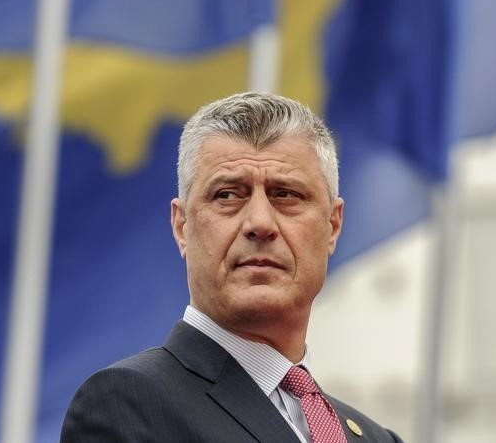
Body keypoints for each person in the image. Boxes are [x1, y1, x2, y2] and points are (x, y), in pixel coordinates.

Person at [61, 93, 403, 442]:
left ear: (332, 225)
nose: (260, 222)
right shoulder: (127, 403)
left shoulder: (378, 439)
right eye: (227, 195)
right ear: (182, 226)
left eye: (285, 194)